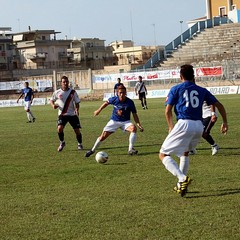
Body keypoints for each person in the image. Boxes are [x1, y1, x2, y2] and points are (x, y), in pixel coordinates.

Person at [159, 64, 228, 197]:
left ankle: (182, 178)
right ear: (193, 76)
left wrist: (170, 127)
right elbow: (220, 105)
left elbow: (167, 111)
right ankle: (182, 187)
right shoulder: (202, 90)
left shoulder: (176, 88)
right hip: (198, 126)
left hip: (184, 123)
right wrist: (225, 122)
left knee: (163, 154)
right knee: (184, 153)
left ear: (180, 77)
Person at [85, 85, 144, 157]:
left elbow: (134, 114)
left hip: (126, 122)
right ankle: (92, 150)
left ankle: (130, 149)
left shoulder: (130, 102)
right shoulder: (114, 99)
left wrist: (138, 124)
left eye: (123, 92)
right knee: (102, 137)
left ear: (126, 93)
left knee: (133, 128)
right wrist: (98, 110)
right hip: (114, 121)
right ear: (117, 93)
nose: (122, 94)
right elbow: (106, 103)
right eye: (120, 93)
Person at [49, 76, 83, 152]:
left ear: (68, 82)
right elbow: (51, 100)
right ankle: (62, 143)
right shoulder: (57, 92)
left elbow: (77, 102)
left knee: (77, 131)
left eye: (67, 82)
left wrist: (77, 109)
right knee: (59, 128)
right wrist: (53, 105)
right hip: (62, 114)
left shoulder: (73, 92)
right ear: (61, 83)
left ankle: (80, 144)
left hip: (72, 114)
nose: (65, 83)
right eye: (64, 82)